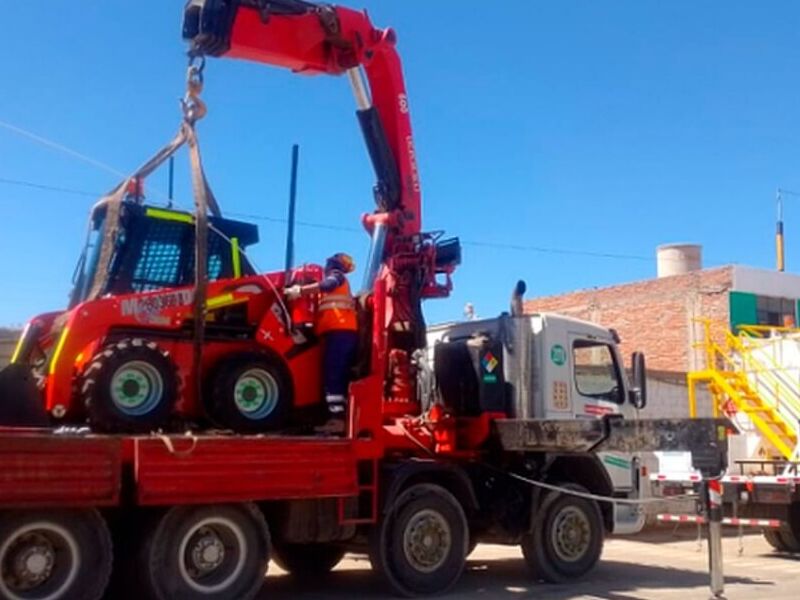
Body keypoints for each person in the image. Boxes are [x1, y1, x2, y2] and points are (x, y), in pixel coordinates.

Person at [286, 253, 358, 434]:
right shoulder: (331, 290)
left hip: (341, 332)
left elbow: (327, 284)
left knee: (334, 374)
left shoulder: (337, 277)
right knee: (332, 374)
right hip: (337, 333)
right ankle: (336, 418)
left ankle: (338, 421)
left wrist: (300, 291)